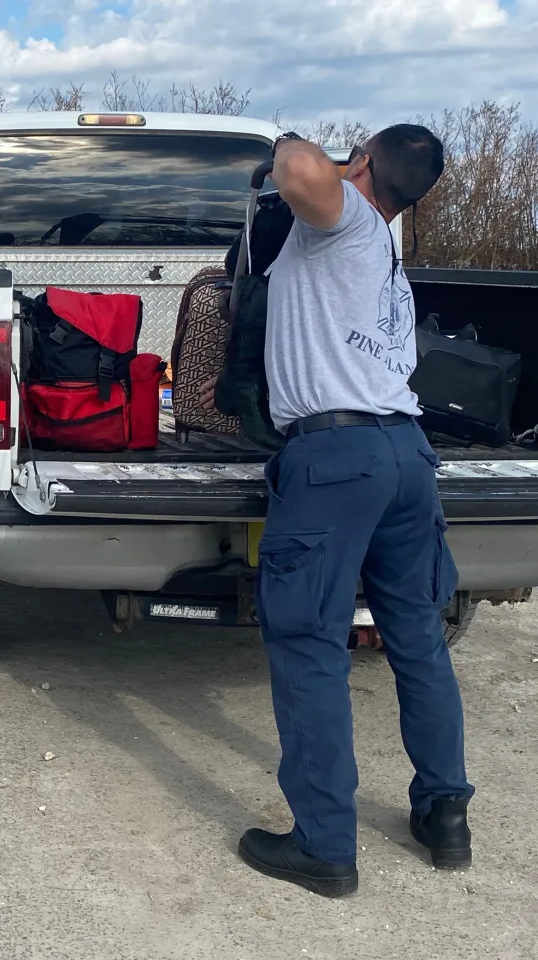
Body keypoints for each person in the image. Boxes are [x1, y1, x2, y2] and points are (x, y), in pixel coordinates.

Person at [220, 126, 471, 896]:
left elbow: (296, 168)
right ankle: (444, 817)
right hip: (404, 456)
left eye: (350, 154)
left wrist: (294, 139)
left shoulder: (347, 222)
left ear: (361, 164)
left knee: (310, 644)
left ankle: (325, 846)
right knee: (420, 642)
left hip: (336, 460)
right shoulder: (388, 254)